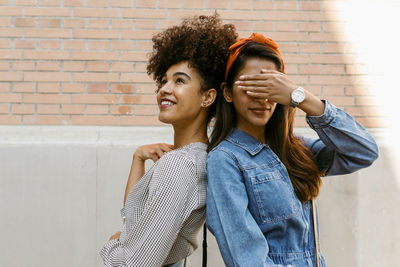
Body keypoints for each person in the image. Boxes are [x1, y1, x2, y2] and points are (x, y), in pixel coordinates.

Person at [206, 32, 379, 267]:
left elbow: (364, 151)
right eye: (251, 86)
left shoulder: (296, 149)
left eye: (270, 87)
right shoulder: (225, 160)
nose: (262, 98)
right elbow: (246, 258)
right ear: (227, 92)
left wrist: (303, 97)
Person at [99, 14, 237, 267]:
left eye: (180, 80)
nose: (164, 88)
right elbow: (133, 222)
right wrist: (138, 158)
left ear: (207, 97)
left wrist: (112, 245)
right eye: (164, 80)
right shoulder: (196, 158)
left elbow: (135, 263)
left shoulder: (179, 165)